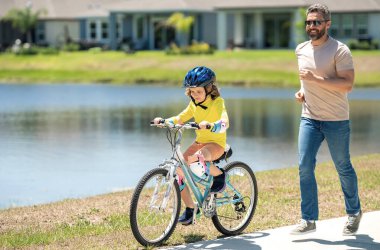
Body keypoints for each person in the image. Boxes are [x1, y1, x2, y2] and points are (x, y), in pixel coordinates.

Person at [291, 3, 362, 236]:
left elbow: (347, 84)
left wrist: (315, 79)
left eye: (316, 22)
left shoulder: (340, 50)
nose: (311, 26)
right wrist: (303, 91)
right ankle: (308, 219)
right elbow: (305, 78)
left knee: (343, 167)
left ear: (327, 24)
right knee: (304, 166)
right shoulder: (301, 49)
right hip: (309, 117)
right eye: (309, 22)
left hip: (336, 119)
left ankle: (354, 213)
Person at [153, 66, 229, 225]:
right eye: (192, 92)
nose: (195, 95)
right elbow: (181, 118)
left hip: (216, 143)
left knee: (196, 159)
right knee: (178, 171)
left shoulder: (218, 102)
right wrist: (165, 121)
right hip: (199, 142)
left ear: (209, 89)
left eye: (198, 92)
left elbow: (225, 122)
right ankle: (190, 207)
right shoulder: (194, 103)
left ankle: (219, 175)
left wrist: (212, 125)